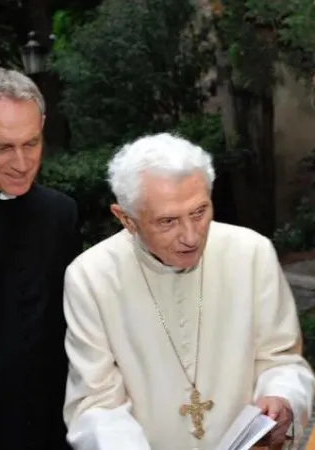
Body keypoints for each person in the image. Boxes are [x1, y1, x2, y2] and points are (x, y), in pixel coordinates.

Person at [62, 132, 314, 450]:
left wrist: (283, 397)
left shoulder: (252, 253)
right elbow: (96, 404)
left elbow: (281, 359)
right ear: (126, 219)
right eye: (168, 221)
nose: (191, 237)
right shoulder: (90, 278)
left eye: (199, 212)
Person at [0, 68, 81, 450]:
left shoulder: (62, 214)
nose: (22, 163)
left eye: (32, 143)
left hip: (53, 430)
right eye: (3, 147)